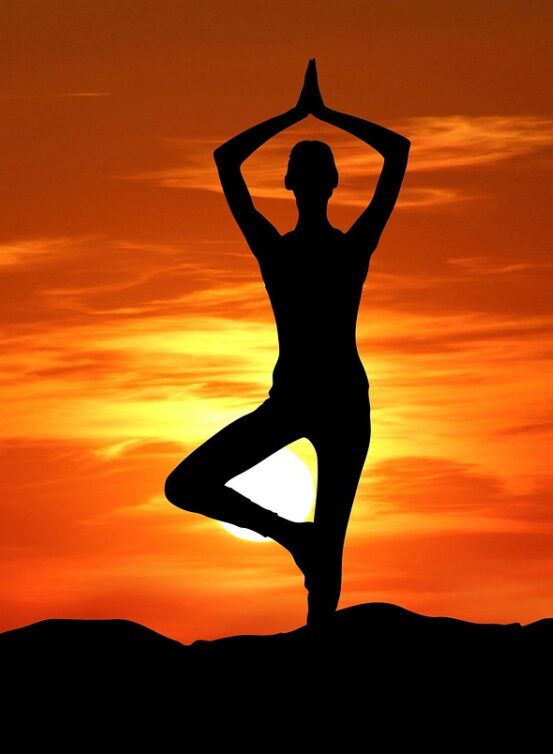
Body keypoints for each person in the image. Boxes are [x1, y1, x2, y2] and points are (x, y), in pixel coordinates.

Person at [164, 59, 409, 625]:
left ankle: (314, 621)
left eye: (308, 164)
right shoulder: (312, 249)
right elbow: (395, 152)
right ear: (318, 182)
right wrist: (318, 114)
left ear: (298, 182)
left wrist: (303, 114)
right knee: (189, 484)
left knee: (331, 539)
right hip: (304, 397)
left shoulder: (320, 249)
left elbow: (229, 160)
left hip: (338, 399)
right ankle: (295, 540)